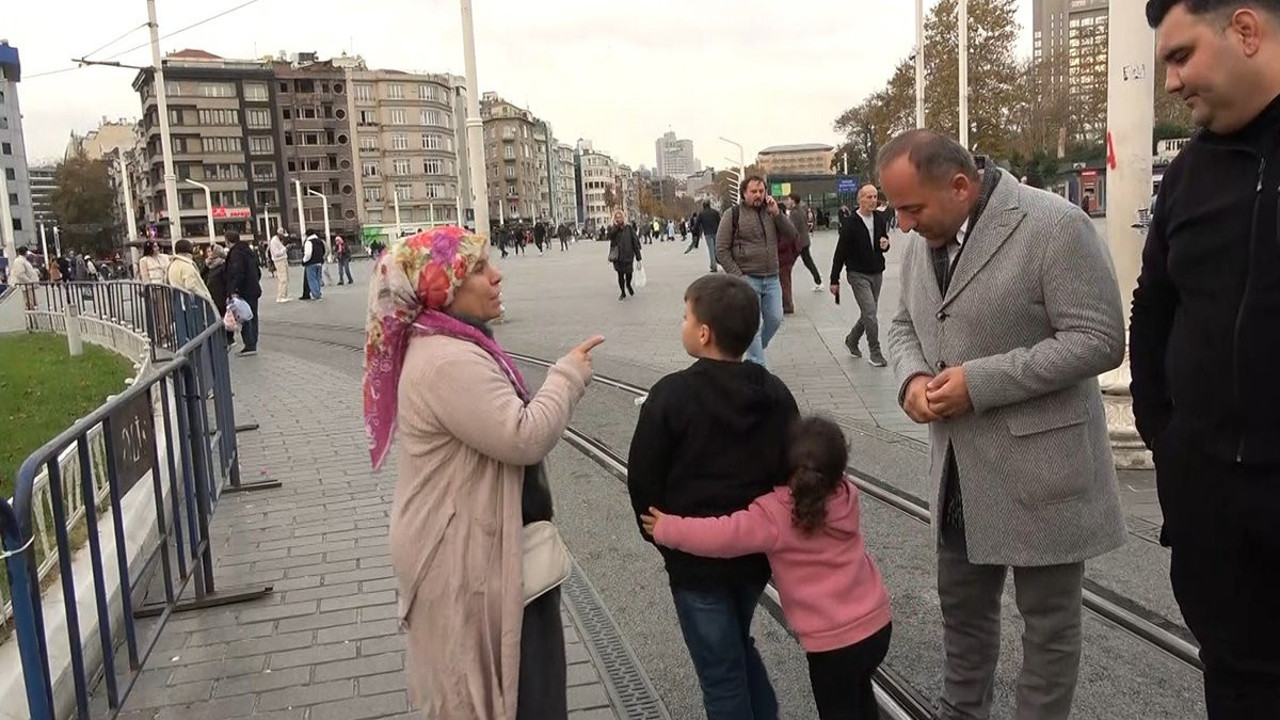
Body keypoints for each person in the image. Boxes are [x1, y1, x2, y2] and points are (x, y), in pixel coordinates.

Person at [881, 129, 1126, 720]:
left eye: (911, 208)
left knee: (1048, 630)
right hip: (959, 477)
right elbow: (902, 325)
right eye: (897, 210)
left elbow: (1100, 340)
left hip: (1045, 474)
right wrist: (912, 380)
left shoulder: (1055, 226)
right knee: (962, 623)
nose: (904, 225)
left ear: (960, 186)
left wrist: (981, 382)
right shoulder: (920, 239)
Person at [364, 226, 603, 720]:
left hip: (476, 544)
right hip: (459, 553)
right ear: (440, 285)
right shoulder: (448, 359)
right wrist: (568, 373)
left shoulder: (451, 342)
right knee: (491, 693)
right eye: (477, 268)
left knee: (511, 684)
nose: (496, 277)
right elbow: (524, 434)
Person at [1132, 2, 1280, 715]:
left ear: (1245, 31)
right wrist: (1166, 437)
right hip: (1212, 507)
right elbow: (1153, 305)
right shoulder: (1188, 173)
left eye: (1181, 55)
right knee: (1234, 683)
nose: (1171, 83)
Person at [627, 272, 799, 720]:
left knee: (720, 674)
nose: (681, 323)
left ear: (703, 333)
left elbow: (643, 476)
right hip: (753, 555)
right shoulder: (774, 393)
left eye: (685, 316)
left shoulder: (670, 395)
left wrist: (662, 537)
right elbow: (793, 468)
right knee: (735, 644)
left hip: (694, 562)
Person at [643, 416, 891, 720]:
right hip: (877, 627)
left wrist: (668, 528)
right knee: (860, 698)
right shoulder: (846, 495)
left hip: (833, 645)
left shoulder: (775, 514)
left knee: (839, 709)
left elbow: (722, 535)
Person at [715, 176, 797, 367]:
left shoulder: (772, 212)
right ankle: (758, 366)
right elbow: (721, 249)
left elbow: (792, 235)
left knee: (776, 318)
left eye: (761, 191)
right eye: (753, 192)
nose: (758, 195)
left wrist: (777, 214)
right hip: (747, 277)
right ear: (744, 193)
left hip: (772, 277)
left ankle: (754, 351)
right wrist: (738, 276)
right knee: (754, 325)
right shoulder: (732, 214)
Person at [830, 184, 892, 367]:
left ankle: (852, 339)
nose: (873, 200)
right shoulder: (850, 223)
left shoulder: (879, 219)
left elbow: (884, 242)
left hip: (877, 272)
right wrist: (835, 279)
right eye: (869, 197)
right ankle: (875, 352)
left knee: (868, 313)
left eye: (875, 197)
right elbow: (839, 252)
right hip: (857, 273)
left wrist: (885, 244)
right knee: (871, 313)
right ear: (860, 200)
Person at [225, 231, 262, 357]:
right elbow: (258, 270)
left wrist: (235, 290)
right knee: (252, 315)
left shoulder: (236, 254)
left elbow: (237, 273)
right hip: (253, 289)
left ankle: (249, 344)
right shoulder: (248, 251)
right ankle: (253, 342)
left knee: (244, 316)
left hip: (243, 291)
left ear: (227, 241)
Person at [787, 194, 824, 292]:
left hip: (799, 243)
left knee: (787, 264)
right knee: (808, 262)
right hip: (804, 241)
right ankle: (818, 281)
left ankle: (783, 284)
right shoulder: (801, 210)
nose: (787, 202)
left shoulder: (794, 213)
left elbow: (791, 228)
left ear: (793, 201)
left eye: (789, 199)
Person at [607, 210, 642, 300]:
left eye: (620, 217)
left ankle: (628, 284)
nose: (619, 219)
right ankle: (622, 292)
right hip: (618, 256)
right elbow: (610, 236)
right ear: (614, 219)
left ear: (623, 218)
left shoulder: (629, 228)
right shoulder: (612, 228)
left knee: (629, 273)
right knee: (620, 275)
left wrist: (638, 257)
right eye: (617, 217)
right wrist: (617, 228)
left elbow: (635, 241)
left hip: (628, 254)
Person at [11, 246, 41, 310]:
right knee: (30, 304)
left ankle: (33, 317)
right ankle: (31, 318)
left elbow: (26, 272)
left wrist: (35, 272)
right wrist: (29, 281)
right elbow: (20, 274)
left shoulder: (23, 260)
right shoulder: (19, 261)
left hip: (29, 286)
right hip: (26, 287)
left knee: (32, 304)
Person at [268, 227, 291, 303]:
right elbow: (276, 253)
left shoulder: (278, 240)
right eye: (283, 235)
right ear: (279, 234)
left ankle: (285, 294)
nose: (284, 237)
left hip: (283, 259)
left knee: (286, 278)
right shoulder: (274, 241)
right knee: (283, 278)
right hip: (279, 261)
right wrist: (285, 248)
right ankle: (281, 296)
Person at [697, 201, 721, 272]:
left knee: (711, 250)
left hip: (708, 233)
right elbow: (720, 222)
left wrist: (695, 232)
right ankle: (720, 262)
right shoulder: (715, 212)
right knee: (717, 249)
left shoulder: (701, 214)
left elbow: (697, 224)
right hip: (716, 232)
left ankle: (713, 266)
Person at [301, 230, 325, 300]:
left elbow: (308, 253)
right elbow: (323, 251)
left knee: (312, 279)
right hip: (319, 262)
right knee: (318, 278)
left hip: (311, 263)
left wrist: (304, 260)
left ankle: (316, 294)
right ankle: (318, 292)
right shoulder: (320, 241)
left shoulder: (309, 242)